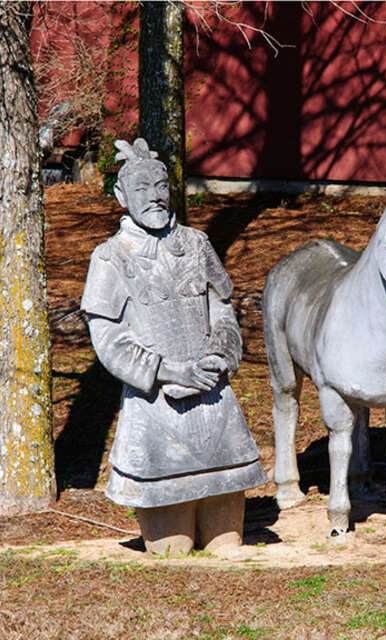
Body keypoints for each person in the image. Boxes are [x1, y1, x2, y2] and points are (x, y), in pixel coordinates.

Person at [81, 138, 267, 555]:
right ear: (121, 196)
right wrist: (170, 371)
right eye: (142, 188)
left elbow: (223, 310)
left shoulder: (197, 244)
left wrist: (220, 357)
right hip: (156, 412)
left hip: (215, 405)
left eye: (161, 186)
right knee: (172, 551)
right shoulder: (110, 258)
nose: (155, 196)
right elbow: (109, 340)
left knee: (226, 546)